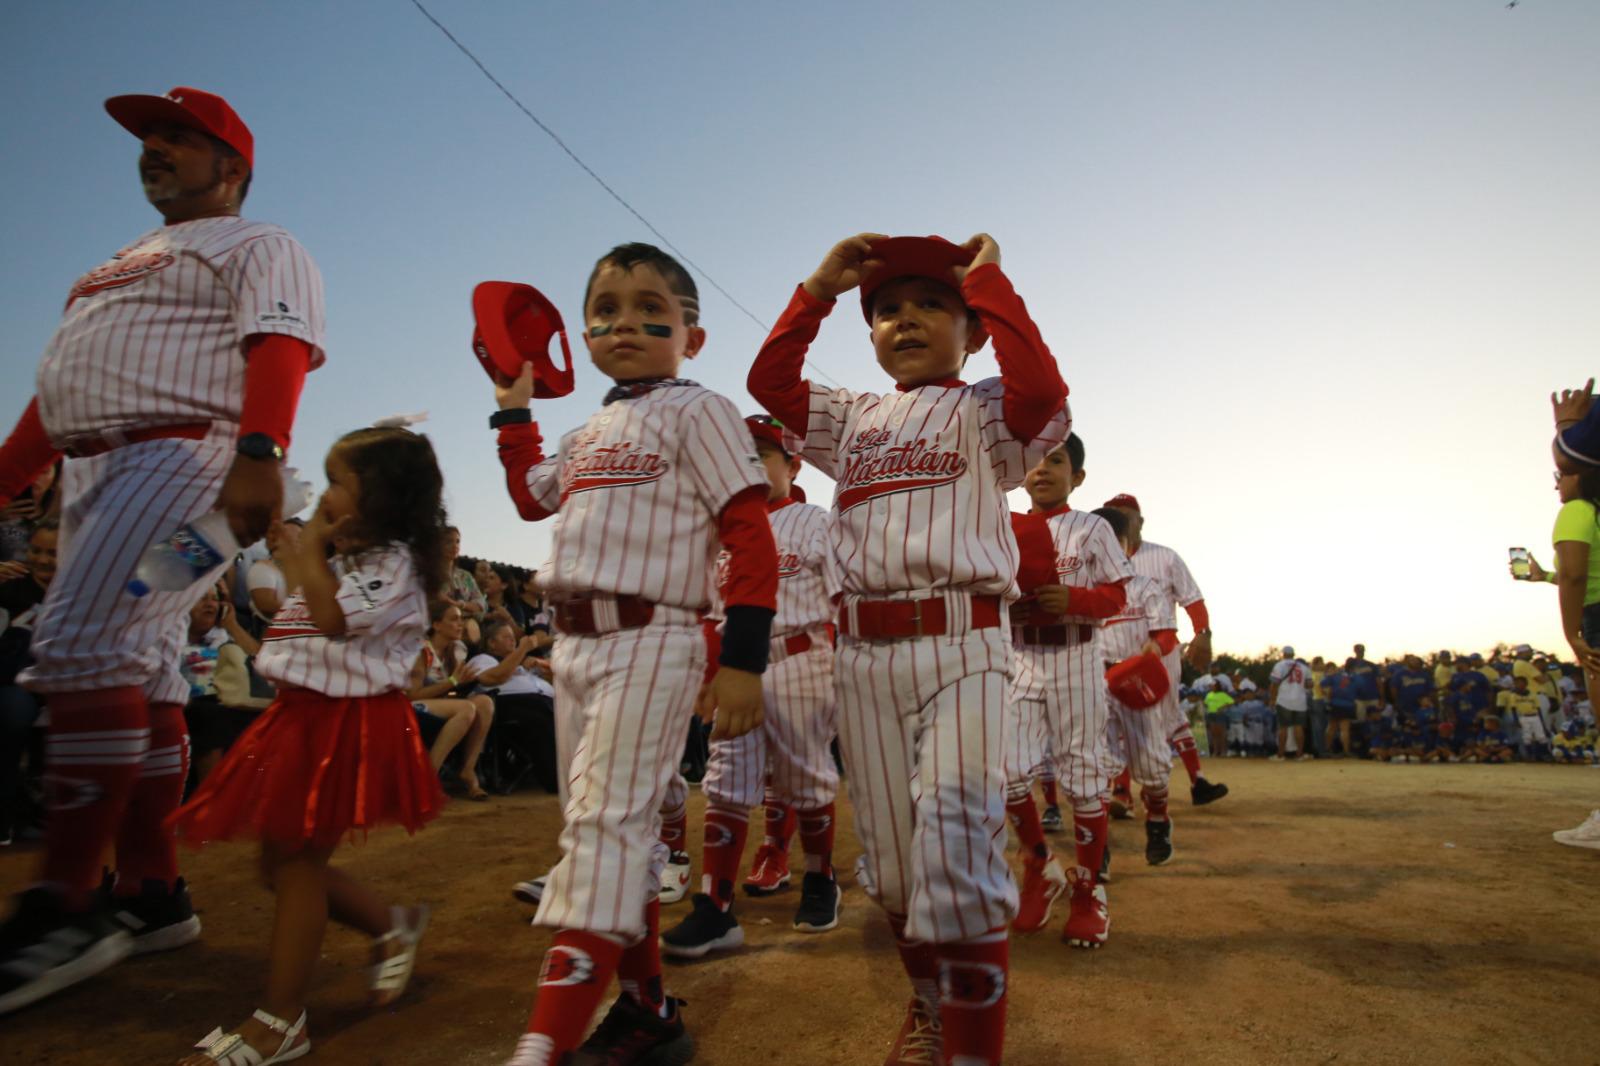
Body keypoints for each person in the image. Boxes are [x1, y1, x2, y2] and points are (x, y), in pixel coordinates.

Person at [0, 85, 326, 1016]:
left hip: (192, 463)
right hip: (107, 469)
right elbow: (57, 394)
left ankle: (65, 905)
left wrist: (260, 454)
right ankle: (151, 889)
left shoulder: (260, 242)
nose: (154, 148)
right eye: (150, 137)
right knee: (138, 666)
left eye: (179, 138)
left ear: (232, 166)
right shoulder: (109, 267)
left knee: (81, 647)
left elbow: (281, 342)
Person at [750, 233, 1069, 1065]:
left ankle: (973, 1051)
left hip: (964, 646)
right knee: (893, 876)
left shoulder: (987, 410)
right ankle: (930, 1004)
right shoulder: (852, 417)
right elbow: (769, 384)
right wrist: (819, 286)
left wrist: (989, 278)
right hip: (861, 660)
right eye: (888, 309)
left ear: (974, 331)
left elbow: (1043, 386)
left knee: (959, 844)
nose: (907, 320)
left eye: (933, 305)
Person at [495, 243, 778, 1066]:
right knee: (611, 834)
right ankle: (649, 1009)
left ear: (692, 332)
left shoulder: (704, 410)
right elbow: (528, 496)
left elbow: (748, 533)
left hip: (655, 635)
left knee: (605, 830)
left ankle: (542, 1048)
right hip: (577, 643)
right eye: (605, 308)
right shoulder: (589, 430)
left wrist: (743, 657)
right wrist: (515, 413)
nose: (624, 321)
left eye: (649, 306)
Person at [167, 427, 445, 1063]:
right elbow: (303, 616)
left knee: (294, 865)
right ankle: (390, 926)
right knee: (279, 864)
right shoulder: (349, 557)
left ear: (381, 496)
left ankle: (282, 1019)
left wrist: (307, 544)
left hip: (344, 724)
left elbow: (329, 619)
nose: (323, 493)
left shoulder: (394, 564)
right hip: (300, 717)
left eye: (338, 481)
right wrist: (298, 546)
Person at [662, 415, 843, 957]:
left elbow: (840, 600)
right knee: (727, 779)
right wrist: (708, 672)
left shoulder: (814, 520)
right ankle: (715, 906)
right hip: (736, 667)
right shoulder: (716, 532)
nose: (752, 462)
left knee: (805, 778)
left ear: (793, 464)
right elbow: (706, 612)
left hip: (801, 657)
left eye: (765, 453)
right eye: (743, 453)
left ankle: (819, 877)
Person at [1000, 436, 1130, 947]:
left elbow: (1116, 594)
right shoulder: (1003, 525)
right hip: (1020, 655)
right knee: (1007, 771)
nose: (1042, 469)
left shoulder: (1091, 526)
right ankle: (1040, 865)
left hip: (1077, 653)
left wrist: (1074, 597)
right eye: (1033, 461)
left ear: (1077, 476)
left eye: (1056, 461)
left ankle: (1089, 887)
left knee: (1082, 775)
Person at [1100, 494, 1228, 808]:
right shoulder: (1100, 562)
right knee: (1115, 718)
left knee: (1167, 716)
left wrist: (1203, 634)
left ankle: (1191, 783)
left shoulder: (1165, 557)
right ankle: (1123, 791)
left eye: (1126, 516)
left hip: (1160, 653)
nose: (1120, 522)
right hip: (1113, 653)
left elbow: (1192, 599)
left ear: (1140, 521)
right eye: (1112, 517)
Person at [1094, 505, 1182, 884]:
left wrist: (1154, 650)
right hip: (1096, 681)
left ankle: (1158, 819)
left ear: (1128, 546)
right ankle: (1097, 849)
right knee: (1093, 765)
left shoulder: (1145, 587)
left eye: (1115, 543)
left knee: (1151, 766)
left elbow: (1166, 633)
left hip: (1134, 679)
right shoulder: (1083, 590)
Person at [0, 521, 58, 846]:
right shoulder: (9, 590)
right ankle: (6, 816)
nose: (43, 559)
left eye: (53, 552)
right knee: (13, 710)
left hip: (66, 685)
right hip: (15, 685)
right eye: (36, 550)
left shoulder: (79, 595)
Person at [408, 603, 495, 800]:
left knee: (485, 703)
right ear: (437, 625)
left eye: (461, 619)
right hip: (410, 709)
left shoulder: (457, 649)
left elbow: (454, 687)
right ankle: (428, 777)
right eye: (454, 619)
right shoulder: (422, 651)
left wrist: (463, 682)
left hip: (441, 703)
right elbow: (413, 694)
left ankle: (468, 770)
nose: (460, 624)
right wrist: (453, 682)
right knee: (466, 708)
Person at [246, 517, 302, 633]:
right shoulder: (262, 568)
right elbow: (267, 606)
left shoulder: (310, 570)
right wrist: (308, 612)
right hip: (275, 633)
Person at [1268, 646, 1311, 761]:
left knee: (1283, 727)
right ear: (1293, 654)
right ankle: (1299, 754)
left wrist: (1272, 698)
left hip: (1284, 700)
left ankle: (1281, 755)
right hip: (1300, 701)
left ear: (1283, 654)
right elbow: (1309, 684)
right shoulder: (1304, 667)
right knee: (1299, 727)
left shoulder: (1279, 665)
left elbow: (1274, 683)